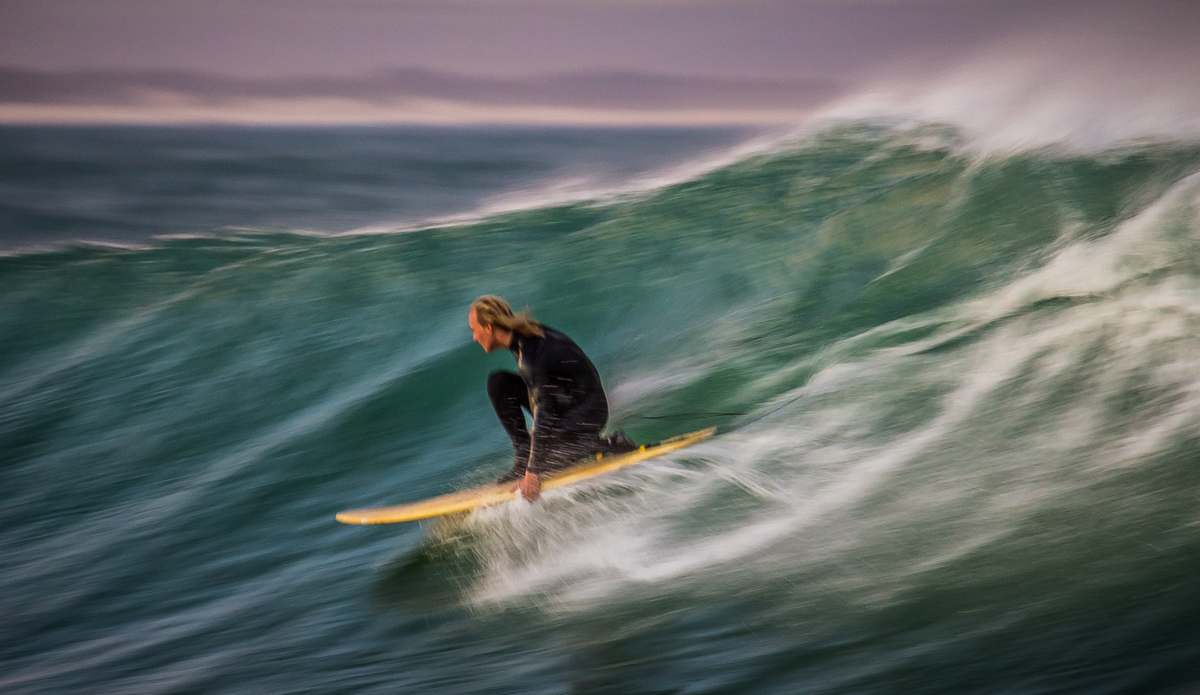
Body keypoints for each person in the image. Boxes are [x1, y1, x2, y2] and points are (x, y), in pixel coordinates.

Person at [468, 295, 635, 502]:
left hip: (588, 411)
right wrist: (526, 462)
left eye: (474, 330)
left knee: (541, 460)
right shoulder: (523, 338)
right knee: (498, 382)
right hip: (563, 405)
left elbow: (543, 412)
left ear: (490, 327)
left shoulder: (531, 356)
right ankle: (523, 456)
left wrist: (533, 472)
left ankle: (608, 444)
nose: (474, 337)